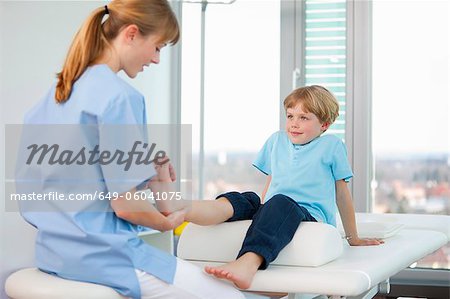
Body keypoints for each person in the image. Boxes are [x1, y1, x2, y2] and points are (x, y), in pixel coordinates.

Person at [16, 1, 245, 299]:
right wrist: (166, 222)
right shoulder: (119, 98)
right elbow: (125, 205)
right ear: (132, 34)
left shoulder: (53, 99)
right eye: (158, 47)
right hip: (109, 258)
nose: (157, 59)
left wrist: (144, 171)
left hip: (53, 255)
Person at [183, 85, 384, 290]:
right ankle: (184, 210)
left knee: (280, 202)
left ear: (324, 124)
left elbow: (342, 194)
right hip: (276, 206)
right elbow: (272, 180)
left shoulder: (332, 146)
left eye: (304, 118)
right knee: (248, 199)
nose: (294, 124)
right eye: (290, 116)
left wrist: (354, 238)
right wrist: (262, 210)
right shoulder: (276, 140)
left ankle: (247, 263)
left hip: (310, 214)